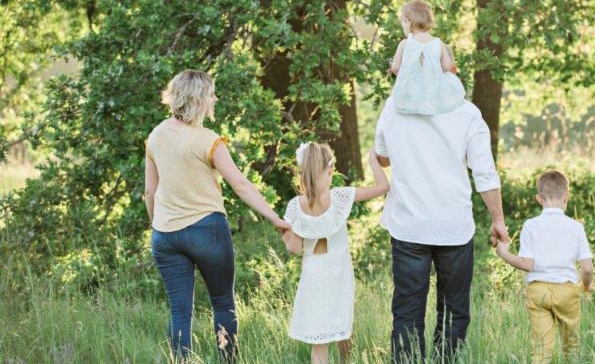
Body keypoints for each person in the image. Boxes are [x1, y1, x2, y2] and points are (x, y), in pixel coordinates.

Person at [144, 70, 290, 362]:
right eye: (211, 94)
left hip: (165, 235)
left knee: (179, 310)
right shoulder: (208, 140)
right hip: (206, 231)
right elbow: (240, 185)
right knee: (223, 302)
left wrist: (157, 225)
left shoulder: (156, 135)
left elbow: (150, 192)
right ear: (198, 99)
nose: (215, 99)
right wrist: (275, 219)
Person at [374, 88, 507, 362]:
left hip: (409, 224)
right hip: (453, 227)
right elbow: (484, 171)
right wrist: (498, 219)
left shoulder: (394, 106)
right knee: (453, 311)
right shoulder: (467, 112)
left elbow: (382, 156)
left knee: (407, 311)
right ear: (452, 69)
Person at [281, 143, 390, 364]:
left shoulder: (296, 206)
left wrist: (284, 229)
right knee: (343, 328)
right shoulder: (339, 197)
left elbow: (293, 249)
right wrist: (372, 161)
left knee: (319, 344)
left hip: (313, 275)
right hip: (338, 271)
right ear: (330, 169)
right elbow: (383, 187)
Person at [494, 170, 595, 362]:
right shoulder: (576, 227)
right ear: (566, 196)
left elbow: (527, 264)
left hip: (538, 290)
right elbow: (588, 269)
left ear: (539, 199)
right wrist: (586, 285)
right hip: (566, 290)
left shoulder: (530, 225)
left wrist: (505, 254)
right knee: (571, 345)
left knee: (540, 349)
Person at [389, 0, 466, 115]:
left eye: (403, 23)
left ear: (406, 21)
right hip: (432, 91)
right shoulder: (438, 42)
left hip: (411, 91)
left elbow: (395, 68)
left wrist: (408, 73)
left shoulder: (404, 43)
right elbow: (447, 65)